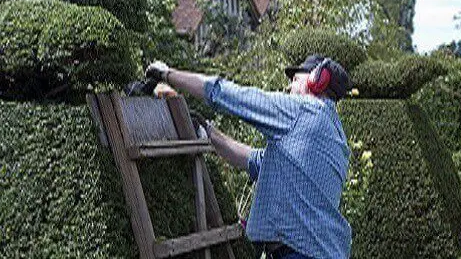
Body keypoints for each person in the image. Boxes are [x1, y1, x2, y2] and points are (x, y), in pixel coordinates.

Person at [146, 55, 353, 259]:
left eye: (295, 80)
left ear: (315, 81)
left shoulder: (301, 110)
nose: (289, 87)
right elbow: (256, 162)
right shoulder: (336, 134)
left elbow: (231, 95)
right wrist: (209, 132)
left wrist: (167, 74)